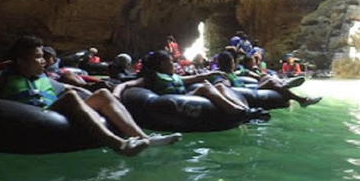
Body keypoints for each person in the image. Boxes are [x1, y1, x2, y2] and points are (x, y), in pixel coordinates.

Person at [0, 36, 181, 156]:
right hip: (27, 117)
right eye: (37, 57)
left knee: (100, 93)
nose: (44, 61)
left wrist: (89, 91)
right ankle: (118, 144)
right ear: (22, 61)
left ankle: (143, 138)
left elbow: (71, 92)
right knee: (70, 99)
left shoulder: (46, 81)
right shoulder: (1, 82)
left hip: (52, 111)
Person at [112, 51, 269, 120]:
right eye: (170, 62)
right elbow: (126, 85)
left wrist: (210, 75)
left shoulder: (174, 77)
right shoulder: (151, 78)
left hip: (184, 97)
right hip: (170, 103)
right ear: (162, 64)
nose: (173, 64)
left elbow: (194, 78)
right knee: (206, 87)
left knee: (218, 86)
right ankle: (239, 112)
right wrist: (116, 95)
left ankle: (246, 111)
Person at [215, 52, 321, 107]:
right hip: (245, 92)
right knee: (270, 81)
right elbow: (224, 87)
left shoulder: (231, 73)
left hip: (246, 88)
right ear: (229, 63)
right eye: (232, 62)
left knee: (267, 77)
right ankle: (301, 100)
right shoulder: (222, 75)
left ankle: (284, 84)